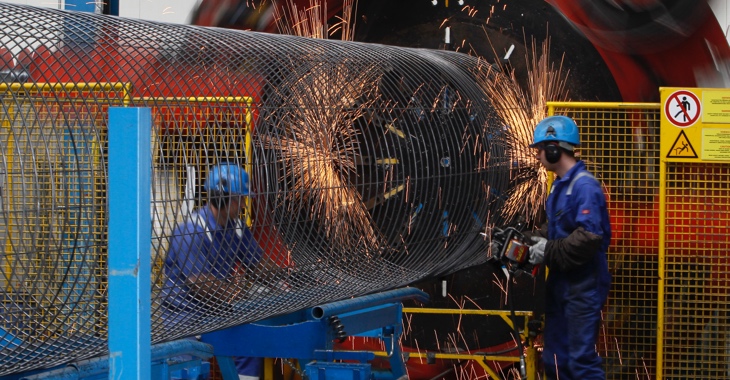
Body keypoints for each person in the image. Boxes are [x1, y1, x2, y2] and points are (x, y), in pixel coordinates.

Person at [526, 115, 612, 380]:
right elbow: (555, 229)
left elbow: (588, 238)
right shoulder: (560, 187)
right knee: (556, 359)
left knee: (580, 362)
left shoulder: (584, 186)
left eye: (541, 149)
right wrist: (527, 242)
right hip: (561, 285)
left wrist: (547, 250)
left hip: (582, 288)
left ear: (555, 149)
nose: (538, 155)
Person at [163, 163, 264, 380]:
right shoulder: (191, 232)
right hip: (185, 320)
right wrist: (238, 294)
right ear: (223, 198)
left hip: (217, 314)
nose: (245, 204)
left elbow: (258, 265)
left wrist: (290, 278)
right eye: (241, 198)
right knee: (191, 371)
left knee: (250, 344)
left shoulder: (236, 228)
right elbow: (198, 282)